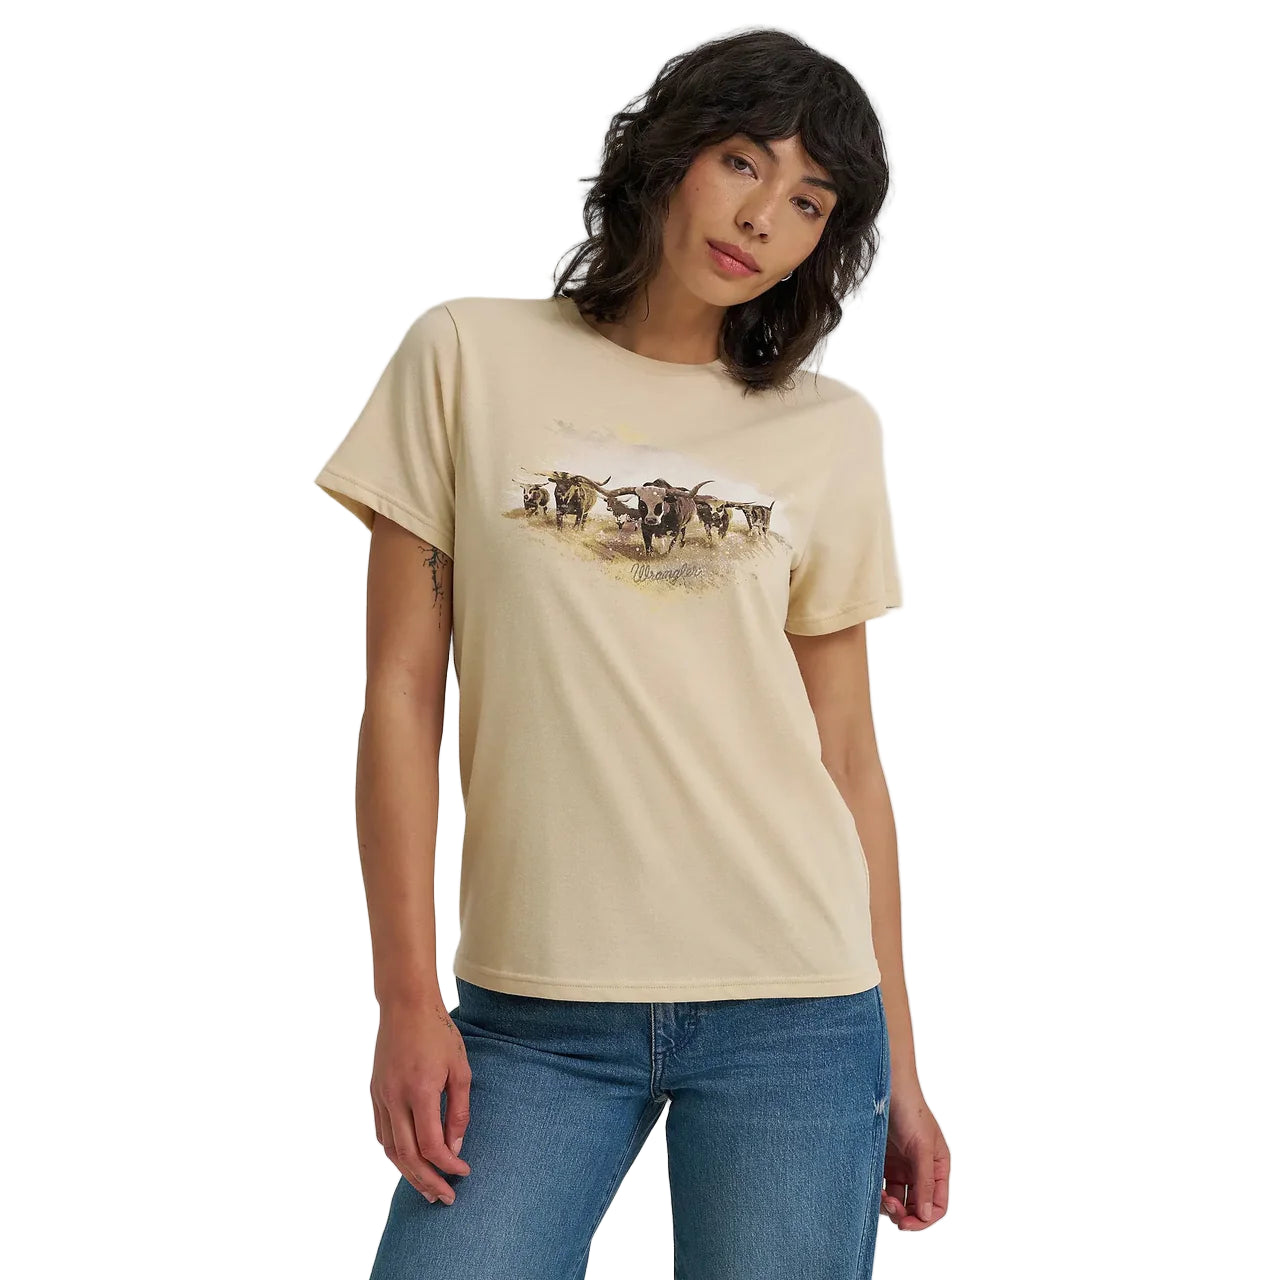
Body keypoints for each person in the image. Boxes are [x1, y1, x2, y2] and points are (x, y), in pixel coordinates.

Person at [313, 27, 949, 1280]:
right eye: (742, 161)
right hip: (533, 1013)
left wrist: (903, 1064)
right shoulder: (464, 355)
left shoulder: (828, 431)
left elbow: (847, 758)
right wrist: (403, 998)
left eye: (808, 200)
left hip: (796, 1006)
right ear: (668, 155)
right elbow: (399, 692)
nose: (762, 215)